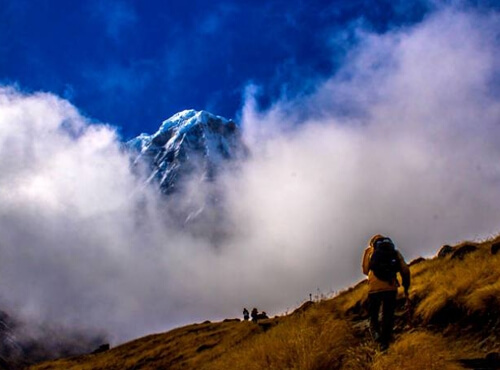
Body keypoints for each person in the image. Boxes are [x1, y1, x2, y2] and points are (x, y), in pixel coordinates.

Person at [362, 234, 410, 350]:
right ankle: (385, 341)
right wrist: (406, 285)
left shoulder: (369, 252)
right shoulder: (394, 251)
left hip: (373, 289)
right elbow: (405, 269)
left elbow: (365, 270)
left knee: (373, 314)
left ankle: (376, 335)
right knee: (387, 314)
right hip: (390, 287)